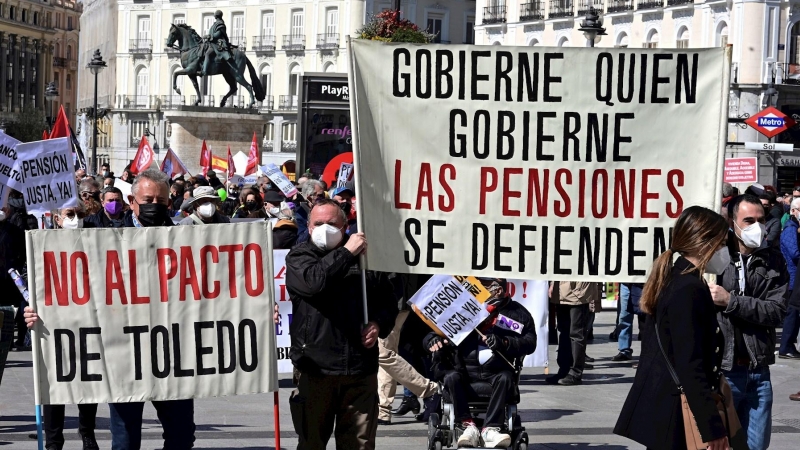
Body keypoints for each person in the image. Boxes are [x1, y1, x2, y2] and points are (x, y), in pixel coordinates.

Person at [615, 206, 738, 450]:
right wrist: (710, 427)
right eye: (721, 244)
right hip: (675, 413)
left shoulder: (677, 278)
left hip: (664, 406)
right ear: (703, 243)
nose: (724, 251)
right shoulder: (688, 289)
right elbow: (690, 364)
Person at [286, 199, 397, 450]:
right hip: (316, 369)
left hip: (359, 369)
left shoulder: (369, 259)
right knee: (311, 442)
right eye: (319, 223)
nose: (325, 228)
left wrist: (378, 323)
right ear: (310, 227)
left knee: (359, 444)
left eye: (332, 223)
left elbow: (389, 300)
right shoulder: (300, 256)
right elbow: (314, 283)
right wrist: (347, 253)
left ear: (345, 226)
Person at [424, 278, 536, 448]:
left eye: (484, 286)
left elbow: (530, 342)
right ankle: (466, 424)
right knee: (451, 377)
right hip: (463, 370)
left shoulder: (518, 314)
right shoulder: (461, 308)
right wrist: (432, 340)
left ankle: (491, 428)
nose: (478, 288)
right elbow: (432, 333)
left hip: (496, 371)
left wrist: (505, 342)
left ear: (498, 290)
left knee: (506, 378)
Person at [714, 194, 788, 450]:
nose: (757, 226)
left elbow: (777, 311)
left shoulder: (773, 260)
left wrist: (731, 302)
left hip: (758, 370)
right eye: (748, 220)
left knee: (756, 446)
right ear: (732, 222)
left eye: (761, 220)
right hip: (724, 369)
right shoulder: (716, 259)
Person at [30, 203, 102, 450]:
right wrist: (29, 308)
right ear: (57, 219)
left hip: (87, 321)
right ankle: (53, 441)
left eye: (80, 215)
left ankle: (87, 434)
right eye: (70, 215)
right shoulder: (41, 245)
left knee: (89, 380)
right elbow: (33, 284)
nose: (75, 220)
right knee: (53, 384)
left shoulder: (94, 243)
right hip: (54, 324)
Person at [546, 282, 599, 386]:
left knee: (576, 332)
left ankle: (575, 372)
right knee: (564, 331)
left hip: (579, 290)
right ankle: (564, 370)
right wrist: (553, 284)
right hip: (562, 289)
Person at [0, 201, 26, 379]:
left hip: (9, 282)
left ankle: (6, 343)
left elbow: (23, 255)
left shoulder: (15, 231)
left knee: (9, 314)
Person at [779, 197, 800, 359]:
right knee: (792, 313)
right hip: (792, 278)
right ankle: (786, 346)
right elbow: (794, 253)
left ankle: (789, 345)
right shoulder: (790, 229)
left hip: (794, 277)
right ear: (793, 211)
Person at [201, 10, 233, 76]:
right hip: (211, 42)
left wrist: (208, 36)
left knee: (207, 54)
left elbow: (217, 35)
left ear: (216, 16)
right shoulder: (215, 24)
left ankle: (204, 71)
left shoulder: (220, 24)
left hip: (217, 43)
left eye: (215, 15)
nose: (214, 16)